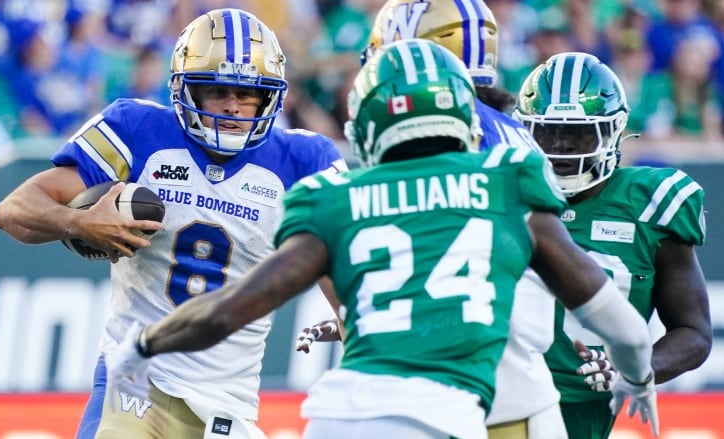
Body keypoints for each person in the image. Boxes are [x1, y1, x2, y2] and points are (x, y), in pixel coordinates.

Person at [104, 38, 659, 439]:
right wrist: (638, 375)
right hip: (447, 415)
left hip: (340, 418)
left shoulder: (334, 200)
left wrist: (142, 345)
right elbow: (618, 321)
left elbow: (229, 310)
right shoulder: (508, 183)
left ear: (363, 127)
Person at [0, 8, 346, 439]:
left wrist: (355, 321)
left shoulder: (303, 161)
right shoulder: (138, 130)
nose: (233, 106)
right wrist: (78, 223)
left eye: (247, 93)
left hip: (229, 402)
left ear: (270, 97)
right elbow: (13, 209)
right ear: (186, 89)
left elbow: (344, 279)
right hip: (136, 382)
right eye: (217, 91)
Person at [297, 1, 569, 437]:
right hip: (523, 377)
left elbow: (431, 247)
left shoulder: (438, 129)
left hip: (457, 375)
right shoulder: (513, 133)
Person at [513, 51, 712, 439]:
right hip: (496, 394)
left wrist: (631, 370)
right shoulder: (501, 189)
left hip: (582, 415)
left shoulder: (650, 203)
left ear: (613, 130)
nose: (561, 147)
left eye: (577, 134)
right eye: (548, 131)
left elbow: (693, 332)